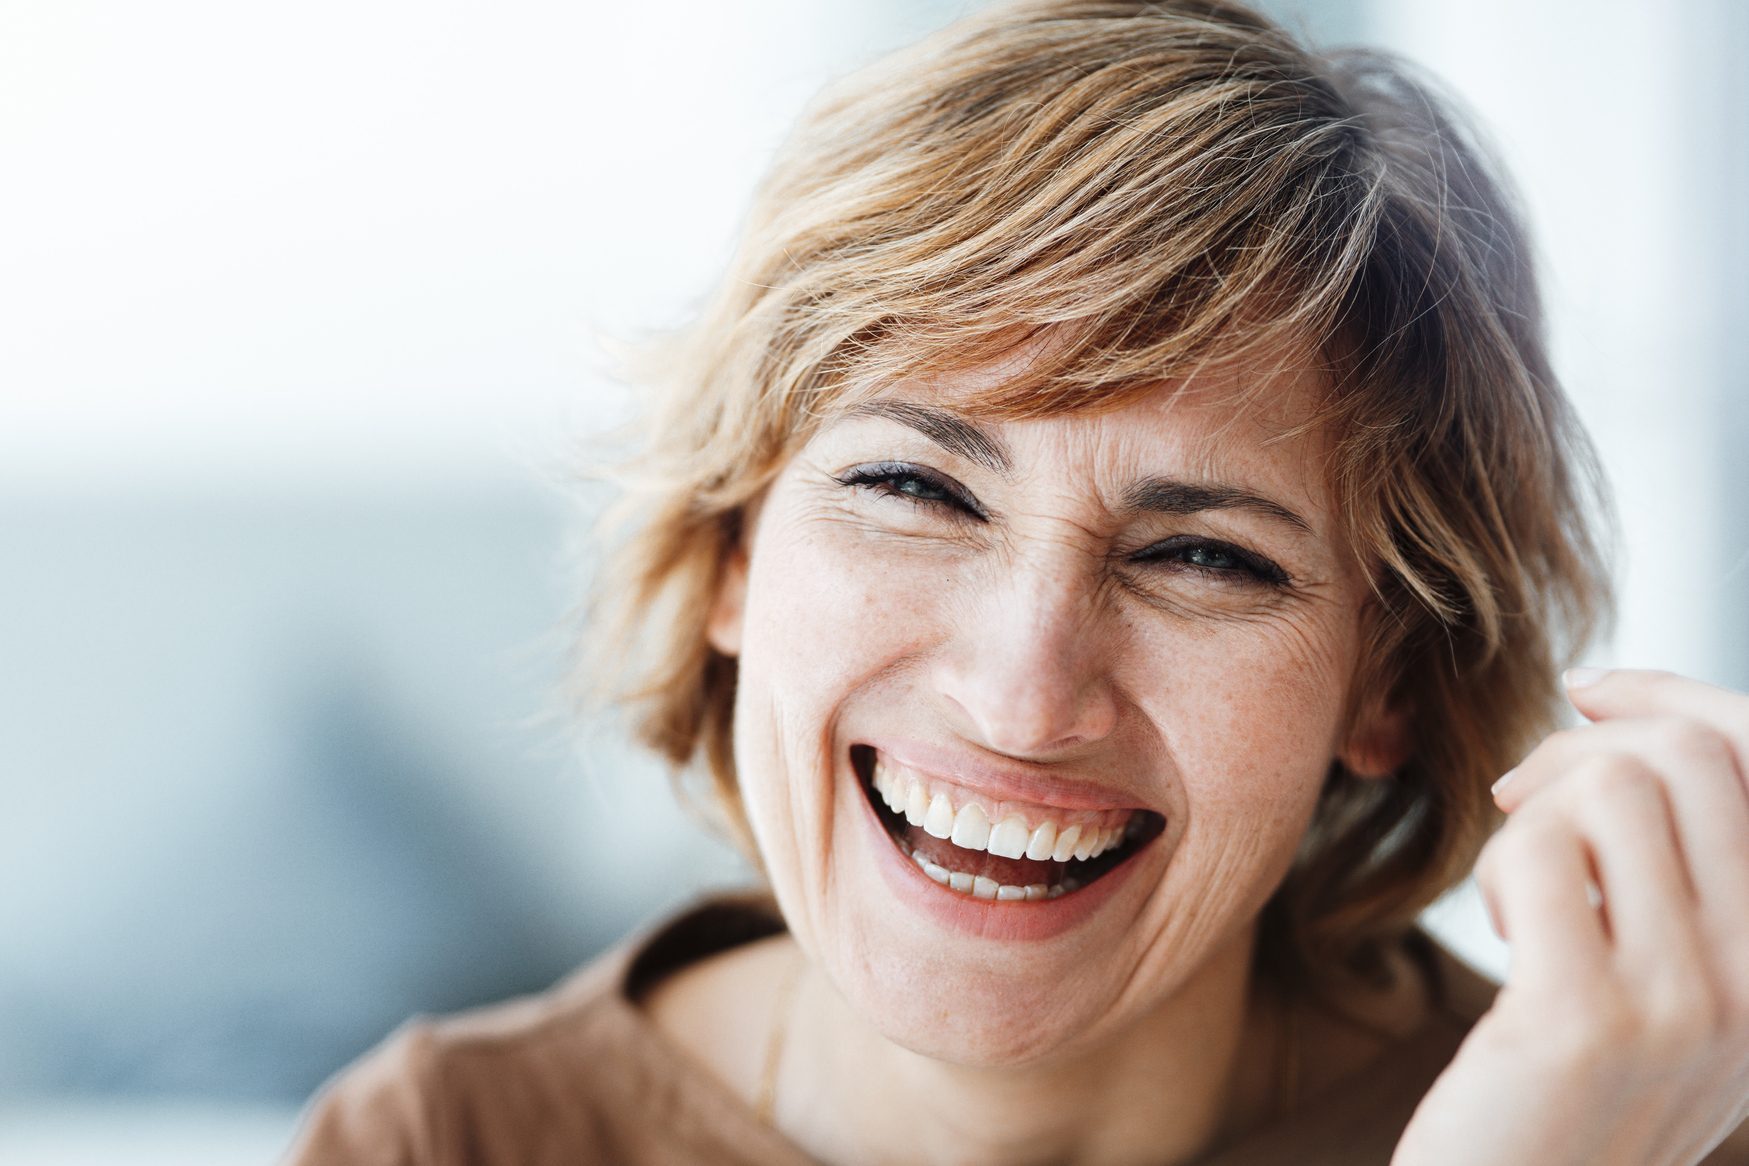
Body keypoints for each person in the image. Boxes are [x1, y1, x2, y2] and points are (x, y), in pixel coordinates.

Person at [284, 1, 1749, 1162]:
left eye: (1200, 557)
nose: (1022, 692)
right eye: (913, 489)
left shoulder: (1643, 1130)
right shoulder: (439, 1143)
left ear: (1387, 684)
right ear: (731, 551)